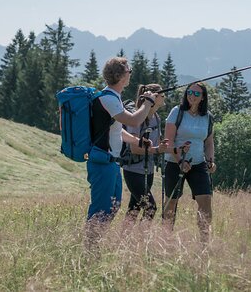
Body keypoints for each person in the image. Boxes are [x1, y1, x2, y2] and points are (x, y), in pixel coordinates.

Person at [85, 57, 157, 248]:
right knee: (101, 209)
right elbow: (133, 120)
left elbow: (116, 129)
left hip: (112, 162)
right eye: (129, 70)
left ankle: (94, 245)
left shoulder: (113, 98)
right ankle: (90, 249)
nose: (131, 73)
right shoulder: (108, 97)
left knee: (113, 207)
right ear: (120, 75)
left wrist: (137, 140)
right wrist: (148, 103)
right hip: (103, 162)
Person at [163, 82, 217, 243]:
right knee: (171, 201)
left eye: (196, 94)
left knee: (205, 201)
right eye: (189, 92)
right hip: (174, 162)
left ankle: (204, 242)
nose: (191, 96)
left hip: (198, 163)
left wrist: (210, 161)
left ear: (203, 98)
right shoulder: (177, 112)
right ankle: (165, 241)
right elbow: (169, 141)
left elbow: (208, 143)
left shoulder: (208, 117)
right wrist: (180, 161)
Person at [122, 84, 169, 223]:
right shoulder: (137, 117)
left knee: (134, 208)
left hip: (148, 171)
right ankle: (141, 240)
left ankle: (123, 240)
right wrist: (155, 150)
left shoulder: (156, 117)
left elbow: (156, 145)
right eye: (162, 95)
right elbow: (134, 148)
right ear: (154, 97)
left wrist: (173, 149)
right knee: (151, 208)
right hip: (133, 171)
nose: (164, 97)